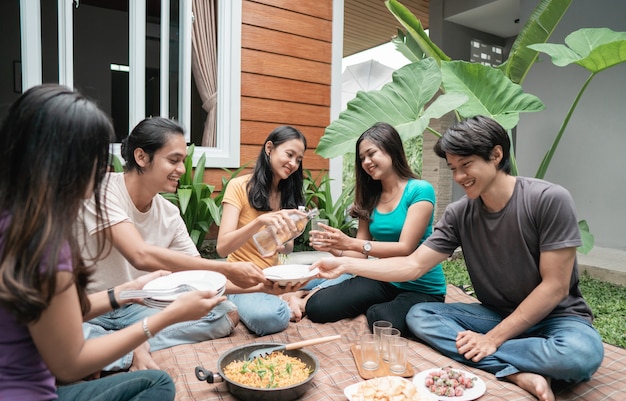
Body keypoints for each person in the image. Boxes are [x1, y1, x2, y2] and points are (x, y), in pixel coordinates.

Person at [312, 116, 604, 401]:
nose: (459, 177)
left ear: (496, 155)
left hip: (557, 319)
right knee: (419, 317)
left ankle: (504, 361)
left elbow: (554, 287)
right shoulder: (459, 213)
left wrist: (491, 339)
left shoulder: (548, 199)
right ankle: (517, 372)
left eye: (466, 165)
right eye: (453, 168)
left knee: (581, 354)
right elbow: (413, 265)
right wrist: (347, 265)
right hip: (495, 313)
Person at [0, 84, 226, 401]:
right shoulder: (44, 241)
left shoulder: (15, 219)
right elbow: (69, 364)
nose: (101, 169)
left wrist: (123, 292)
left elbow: (193, 267)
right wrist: (166, 318)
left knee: (157, 383)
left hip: (47, 385)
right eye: (93, 157)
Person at [76, 117, 278, 372]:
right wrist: (227, 268)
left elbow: (202, 277)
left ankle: (122, 347)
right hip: (92, 308)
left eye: (182, 160)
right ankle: (131, 346)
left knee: (224, 314)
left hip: (139, 308)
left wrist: (265, 286)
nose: (182, 169)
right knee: (54, 340)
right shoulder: (103, 191)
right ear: (141, 157)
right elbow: (140, 255)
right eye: (173, 160)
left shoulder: (169, 213)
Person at [289, 122, 446, 333]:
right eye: (362, 158)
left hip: (420, 285)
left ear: (391, 149)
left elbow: (405, 247)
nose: (366, 162)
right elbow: (360, 256)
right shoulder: (370, 198)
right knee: (318, 308)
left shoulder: (419, 190)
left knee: (380, 318)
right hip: (384, 279)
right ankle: (307, 296)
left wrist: (349, 241)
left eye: (371, 154)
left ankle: (374, 309)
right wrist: (334, 246)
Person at [216, 125, 309, 335]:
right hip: (244, 282)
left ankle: (290, 297)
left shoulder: (288, 195)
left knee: (341, 273)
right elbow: (222, 248)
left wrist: (287, 236)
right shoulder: (239, 187)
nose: (293, 164)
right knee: (271, 317)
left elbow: (287, 248)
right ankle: (289, 300)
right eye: (289, 154)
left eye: (299, 159)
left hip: (276, 277)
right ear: (269, 148)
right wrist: (260, 223)